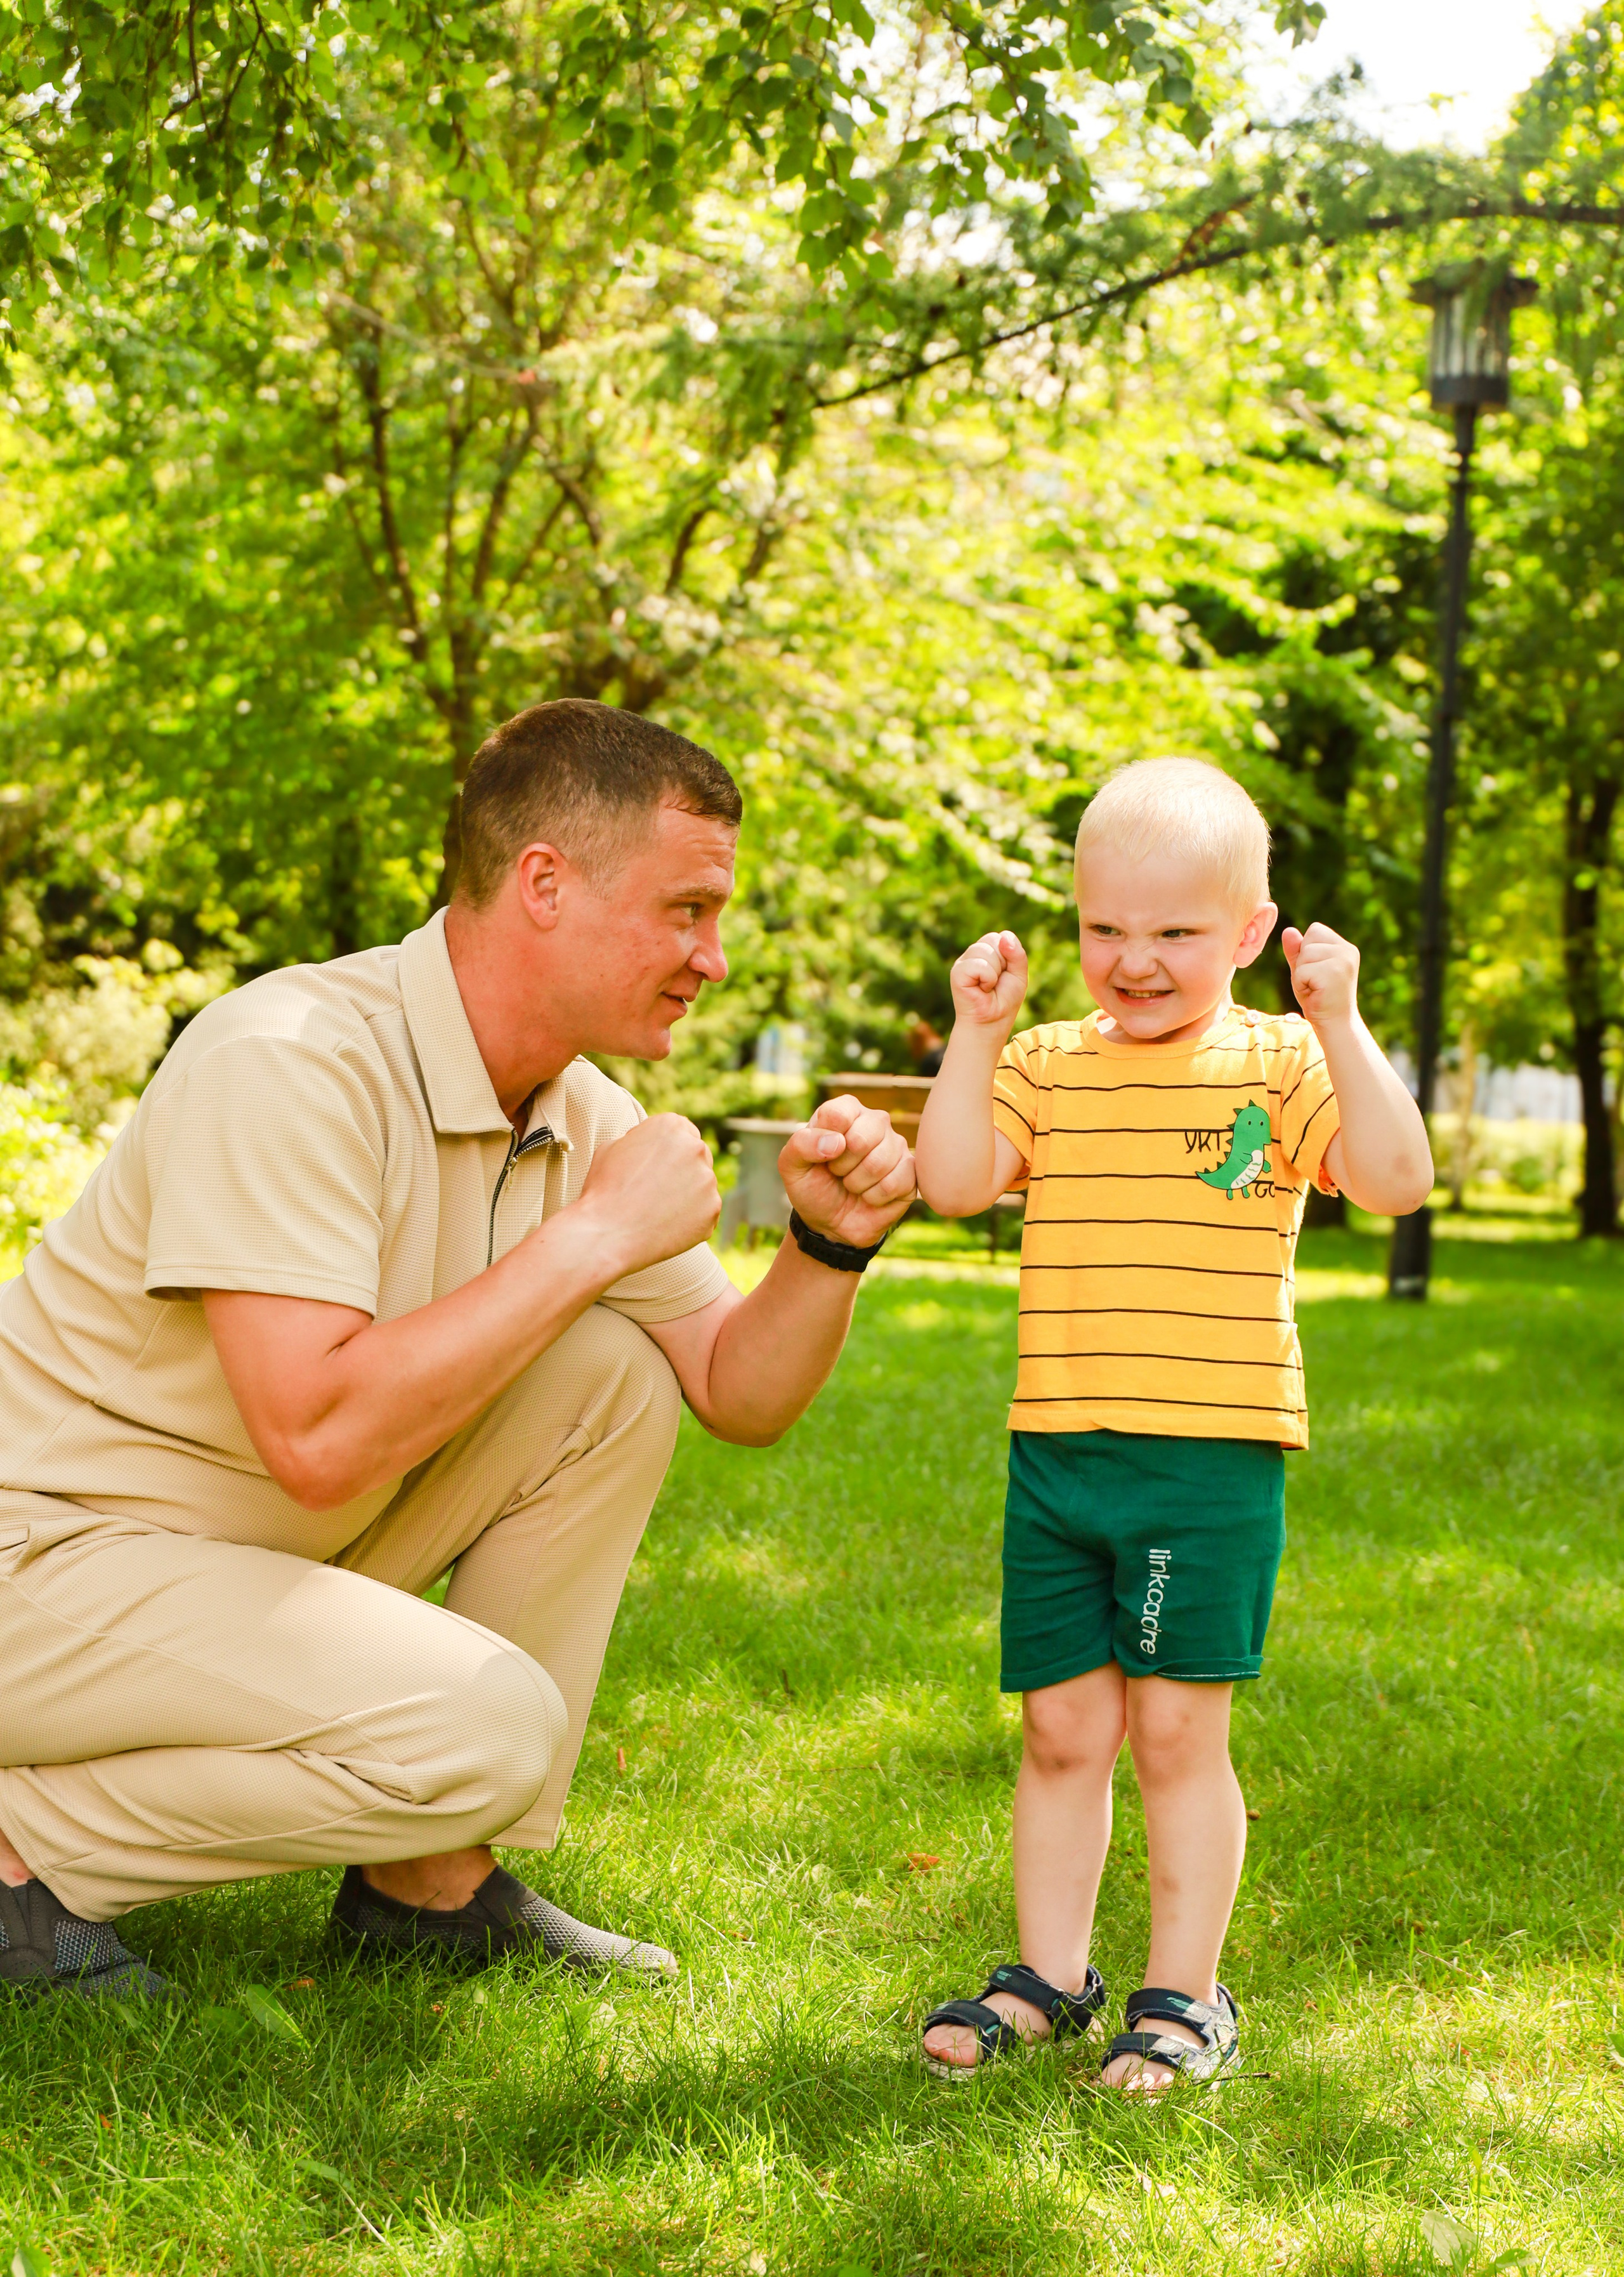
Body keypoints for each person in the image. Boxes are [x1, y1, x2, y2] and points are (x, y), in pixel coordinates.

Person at [0, 699, 914, 2000]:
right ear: (543, 884)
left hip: (215, 1560)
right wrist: (593, 1238)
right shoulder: (290, 1060)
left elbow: (737, 1389)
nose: (713, 958)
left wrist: (827, 1246)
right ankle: (28, 1853)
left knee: (608, 1380)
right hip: (40, 1563)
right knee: (488, 1725)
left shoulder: (574, 1104)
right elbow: (313, 1438)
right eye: (686, 909)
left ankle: (423, 1888)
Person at [912, 757, 1431, 2089]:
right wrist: (973, 1031)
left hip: (1202, 1461)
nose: (1131, 961)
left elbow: (1393, 1178)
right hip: (1059, 1453)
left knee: (1172, 1734)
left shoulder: (1280, 1059)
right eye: (1103, 929)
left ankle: (1182, 1997)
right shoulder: (1042, 1063)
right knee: (1059, 1729)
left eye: (1174, 933)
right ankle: (1049, 1973)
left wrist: (1344, 1018)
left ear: (1249, 934)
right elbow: (954, 1180)